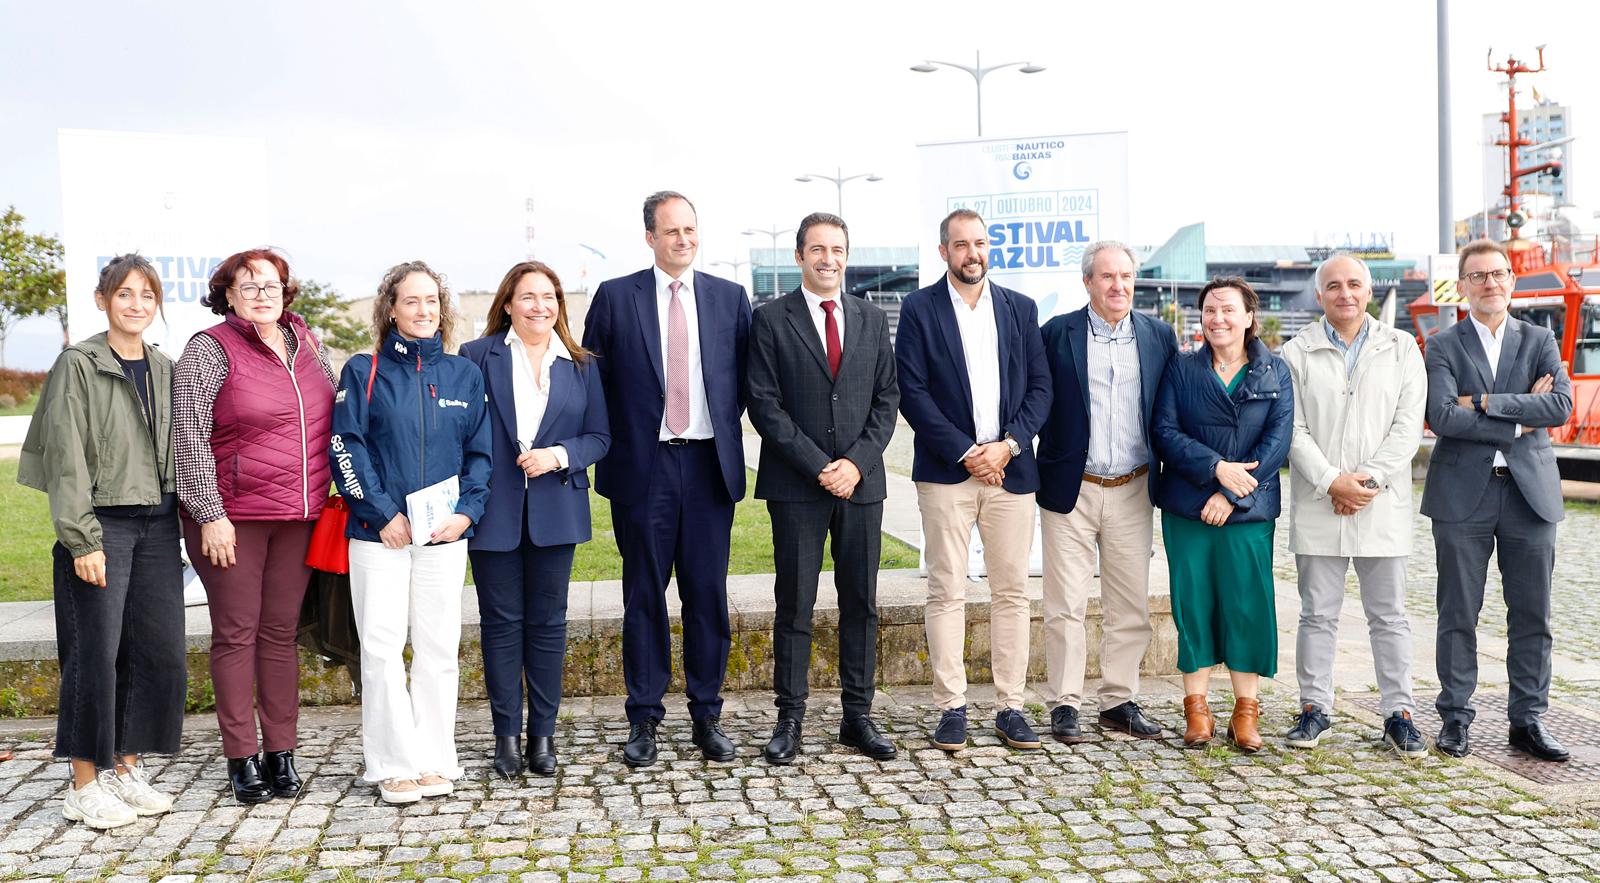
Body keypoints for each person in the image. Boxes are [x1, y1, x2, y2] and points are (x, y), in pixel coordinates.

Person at [581, 191, 752, 767]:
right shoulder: (615, 297)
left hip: (707, 466)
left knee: (707, 595)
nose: (684, 239)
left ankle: (707, 715)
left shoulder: (729, 298)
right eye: (672, 230)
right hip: (642, 468)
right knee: (643, 596)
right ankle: (644, 718)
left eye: (691, 229)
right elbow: (594, 382)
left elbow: (743, 382)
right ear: (650, 237)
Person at [19, 254, 184, 828]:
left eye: (147, 295)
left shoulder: (164, 367)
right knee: (95, 654)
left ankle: (125, 768)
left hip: (158, 525)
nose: (137, 305)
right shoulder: (79, 364)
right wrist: (82, 539)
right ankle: (84, 783)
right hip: (102, 525)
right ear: (102, 300)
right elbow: (66, 456)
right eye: (124, 294)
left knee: (155, 650)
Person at [174, 247, 336, 804]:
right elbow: (187, 436)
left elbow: (335, 414)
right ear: (228, 295)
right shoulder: (209, 348)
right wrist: (209, 514)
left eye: (270, 285)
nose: (262, 295)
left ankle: (281, 752)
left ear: (285, 292)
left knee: (279, 635)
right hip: (233, 519)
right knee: (237, 634)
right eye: (248, 286)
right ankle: (242, 756)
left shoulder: (309, 344)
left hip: (300, 515)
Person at [329, 260, 491, 802]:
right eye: (412, 301)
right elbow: (345, 448)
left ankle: (435, 758)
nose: (424, 310)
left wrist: (466, 513)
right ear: (391, 310)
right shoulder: (363, 370)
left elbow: (481, 454)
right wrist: (382, 514)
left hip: (445, 535)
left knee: (438, 648)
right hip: (381, 536)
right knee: (380, 649)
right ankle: (392, 764)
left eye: (432, 301)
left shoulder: (465, 374)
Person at [895, 209, 1052, 752]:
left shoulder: (1019, 308)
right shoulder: (918, 308)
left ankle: (1011, 707)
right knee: (947, 590)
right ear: (944, 251)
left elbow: (1041, 388)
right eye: (961, 245)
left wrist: (1008, 445)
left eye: (980, 243)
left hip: (1012, 469)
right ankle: (951, 707)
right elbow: (912, 392)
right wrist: (966, 453)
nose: (972, 254)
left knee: (1012, 592)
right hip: (947, 473)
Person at [746, 213, 900, 764]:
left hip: (862, 485)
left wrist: (854, 464)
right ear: (799, 256)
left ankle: (858, 716)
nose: (828, 259)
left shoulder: (870, 317)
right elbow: (764, 404)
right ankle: (790, 717)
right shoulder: (770, 320)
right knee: (794, 603)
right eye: (817, 249)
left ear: (846, 255)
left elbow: (887, 399)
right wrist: (820, 465)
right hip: (796, 486)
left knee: (861, 602)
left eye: (837, 249)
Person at [1422, 239, 1574, 761]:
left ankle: (1528, 720)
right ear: (1462, 285)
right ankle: (1455, 717)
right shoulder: (1442, 345)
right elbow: (1443, 416)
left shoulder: (1540, 338)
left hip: (1531, 495)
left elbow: (1559, 406)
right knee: (1458, 612)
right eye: (1478, 275)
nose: (1489, 283)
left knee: (1533, 614)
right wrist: (1520, 417)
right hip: (1461, 496)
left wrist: (1484, 402)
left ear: (1511, 280)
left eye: (1498, 274)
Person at [460, 261, 610, 779]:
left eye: (549, 297)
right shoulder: (476, 356)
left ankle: (542, 737)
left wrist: (559, 455)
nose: (539, 306)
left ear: (559, 306)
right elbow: (463, 431)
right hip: (492, 511)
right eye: (527, 296)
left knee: (548, 625)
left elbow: (600, 437)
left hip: (557, 509)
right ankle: (505, 736)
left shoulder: (582, 364)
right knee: (501, 626)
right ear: (507, 304)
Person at [1282, 254, 1427, 756]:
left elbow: (1408, 426)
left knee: (1389, 616)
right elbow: (1292, 429)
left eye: (1354, 284)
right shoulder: (1296, 352)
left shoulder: (1402, 348)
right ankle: (1314, 709)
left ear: (1368, 291)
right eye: (1334, 286)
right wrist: (1331, 482)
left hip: (1379, 502)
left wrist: (1364, 482)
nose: (1344, 293)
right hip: (1320, 500)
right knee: (1317, 613)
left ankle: (1399, 713)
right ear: (1318, 295)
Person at [1036, 241, 1177, 743]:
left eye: (1126, 276)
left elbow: (1170, 409)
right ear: (1087, 282)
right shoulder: (1056, 333)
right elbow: (1037, 400)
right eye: (1107, 276)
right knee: (1064, 604)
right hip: (1071, 488)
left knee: (1130, 604)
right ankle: (1065, 703)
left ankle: (1118, 700)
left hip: (1133, 487)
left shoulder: (1159, 336)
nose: (1118, 285)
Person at [1152, 276, 1292, 752]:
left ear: (1249, 317)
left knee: (1246, 605)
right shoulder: (1181, 368)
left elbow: (1277, 443)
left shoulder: (1275, 371)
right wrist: (1215, 469)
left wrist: (1231, 494)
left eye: (1229, 309)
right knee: (1192, 604)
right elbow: (1165, 431)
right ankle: (1197, 710)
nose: (1218, 319)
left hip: (1249, 511)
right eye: (1210, 310)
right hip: (1188, 507)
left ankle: (1245, 712)